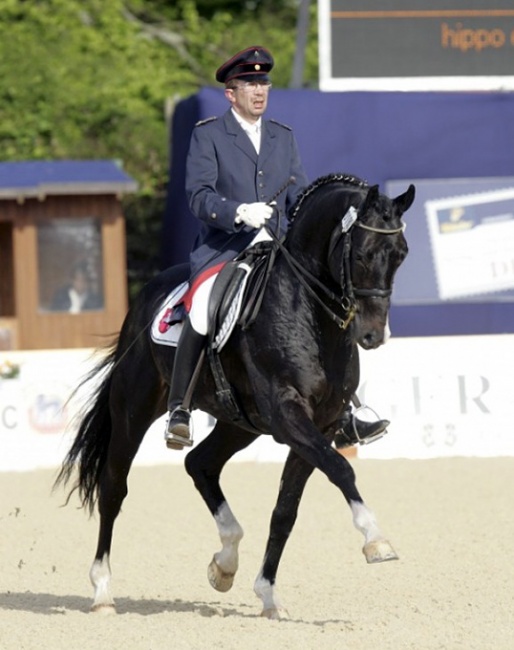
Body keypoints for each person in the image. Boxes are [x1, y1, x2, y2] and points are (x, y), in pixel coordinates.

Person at [165, 45, 388, 450]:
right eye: (250, 83)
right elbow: (198, 196)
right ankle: (179, 409)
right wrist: (236, 212)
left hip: (277, 247)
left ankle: (346, 411)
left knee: (328, 308)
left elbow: (299, 198)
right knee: (201, 310)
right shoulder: (209, 134)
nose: (259, 89)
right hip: (225, 248)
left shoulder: (282, 137)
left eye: (263, 82)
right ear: (231, 93)